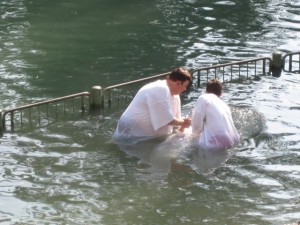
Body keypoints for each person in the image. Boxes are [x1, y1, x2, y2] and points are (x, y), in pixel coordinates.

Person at [113, 67, 192, 142]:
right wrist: (183, 123)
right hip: (131, 135)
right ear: (178, 83)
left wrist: (184, 122)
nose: (185, 89)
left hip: (146, 137)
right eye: (185, 86)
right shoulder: (160, 88)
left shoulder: (175, 96)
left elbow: (176, 121)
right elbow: (167, 119)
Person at [191, 78, 240, 150]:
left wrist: (192, 137)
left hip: (212, 145)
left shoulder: (204, 97)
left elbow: (196, 126)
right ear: (221, 93)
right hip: (232, 141)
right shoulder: (224, 105)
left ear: (206, 91)